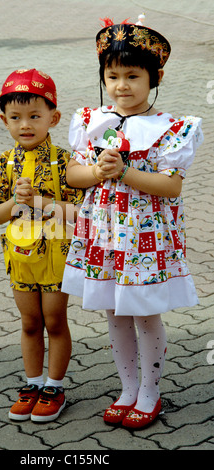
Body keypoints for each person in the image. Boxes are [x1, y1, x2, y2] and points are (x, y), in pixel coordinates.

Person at [61, 17, 203, 428]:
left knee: (144, 312)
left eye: (133, 76)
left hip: (144, 239)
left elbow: (169, 187)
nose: (122, 85)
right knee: (114, 312)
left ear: (154, 77)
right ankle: (126, 388)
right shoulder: (91, 121)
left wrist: (124, 173)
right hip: (103, 236)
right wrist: (98, 172)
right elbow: (74, 176)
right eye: (113, 75)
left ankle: (150, 391)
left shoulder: (172, 129)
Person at [0, 69, 83, 422]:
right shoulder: (3, 164)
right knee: (29, 322)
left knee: (55, 320)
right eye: (16, 117)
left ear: (53, 118)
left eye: (35, 116)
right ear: (4, 120)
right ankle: (32, 383)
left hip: (57, 253)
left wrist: (40, 202)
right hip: (20, 256)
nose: (25, 124)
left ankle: (54, 387)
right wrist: (16, 202)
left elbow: (80, 213)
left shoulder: (66, 160)